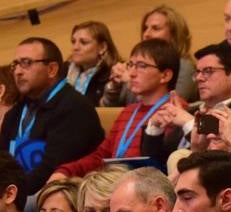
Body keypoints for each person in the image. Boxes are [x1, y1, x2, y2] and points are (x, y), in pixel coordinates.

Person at [51, 38, 180, 179]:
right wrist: (65, 171)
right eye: (130, 65)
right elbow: (101, 156)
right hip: (112, 182)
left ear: (165, 75)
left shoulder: (176, 113)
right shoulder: (128, 112)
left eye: (142, 66)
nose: (131, 73)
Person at [2, 38, 105, 198]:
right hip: (17, 192)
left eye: (26, 63)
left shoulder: (74, 108)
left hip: (63, 192)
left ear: (51, 69)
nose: (18, 71)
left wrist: (12, 196)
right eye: (16, 64)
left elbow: (52, 169)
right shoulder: (15, 113)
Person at [141, 43, 231, 162]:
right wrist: (155, 128)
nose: (199, 78)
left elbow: (219, 158)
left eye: (208, 71)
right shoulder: (190, 111)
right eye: (198, 72)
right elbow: (158, 163)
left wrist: (189, 123)